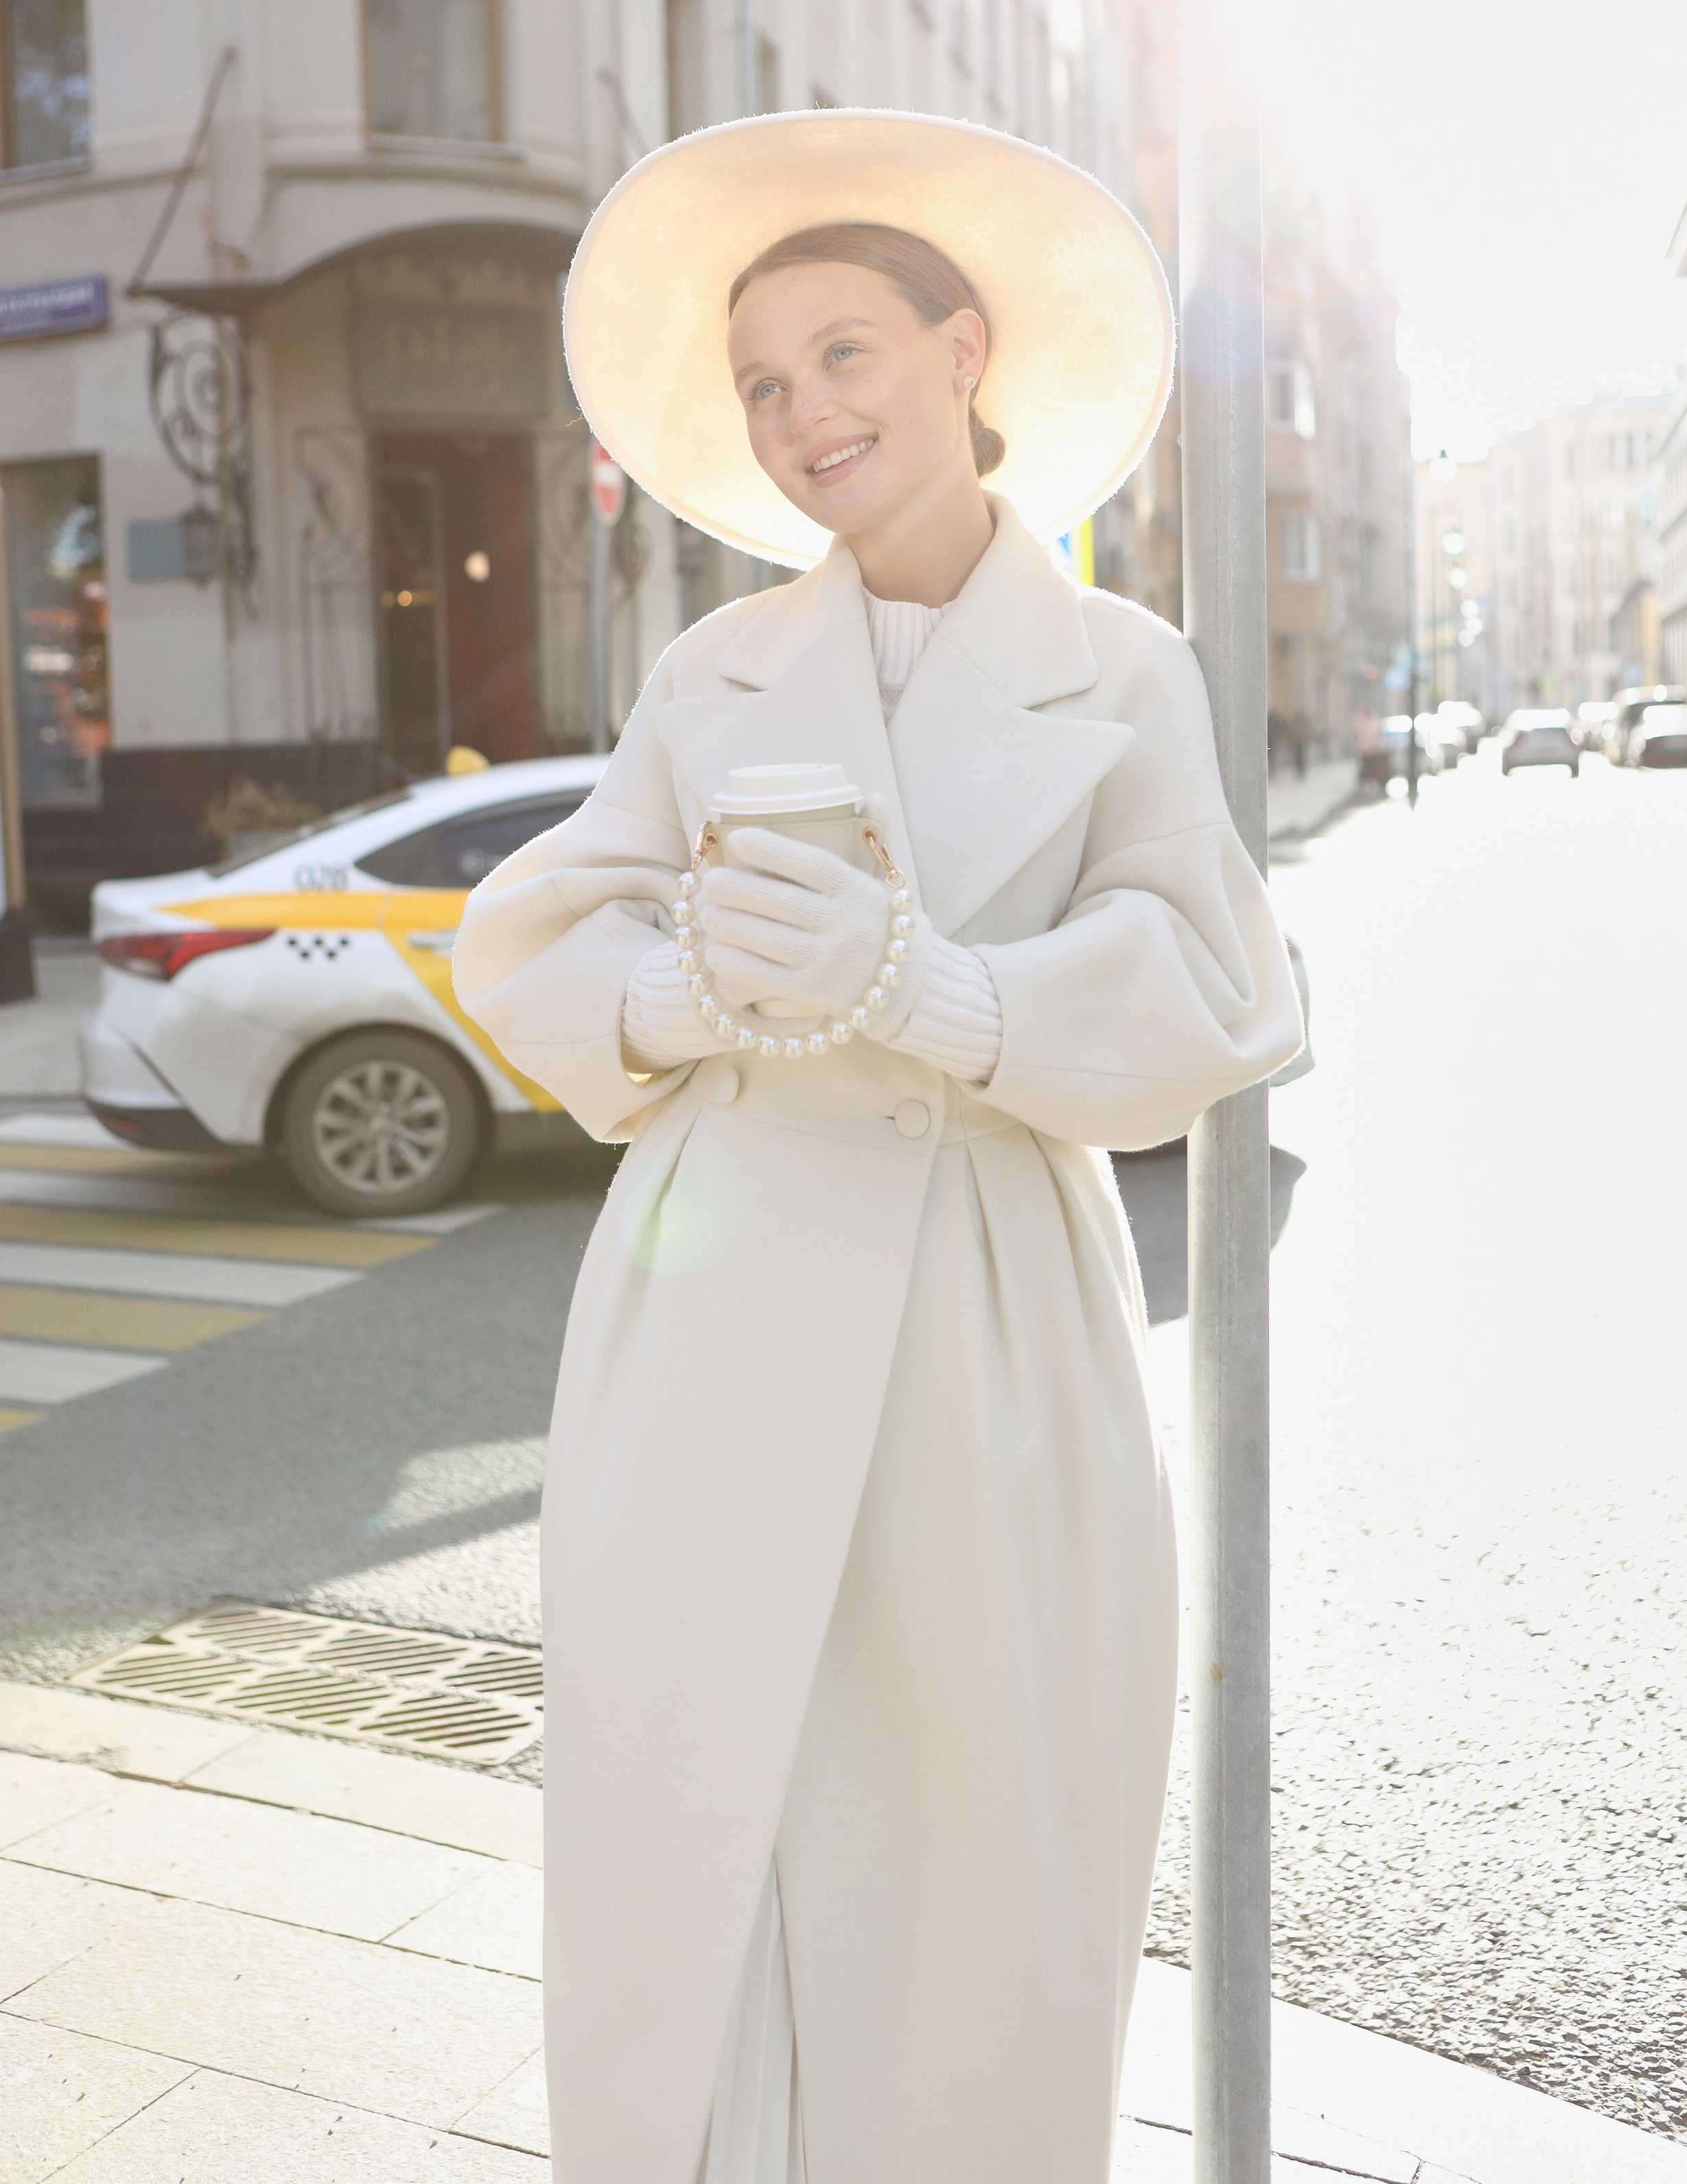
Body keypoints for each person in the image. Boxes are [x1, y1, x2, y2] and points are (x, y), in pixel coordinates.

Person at [452, 110, 1304, 2184]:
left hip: (988, 1339)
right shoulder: (713, 667)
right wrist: (689, 992)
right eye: (761, 383)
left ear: (962, 353)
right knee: (687, 1868)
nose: (802, 412)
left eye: (842, 352)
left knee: (973, 1890)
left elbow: (1221, 989)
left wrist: (937, 993)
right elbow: (533, 939)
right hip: (709, 1326)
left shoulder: (1125, 672)